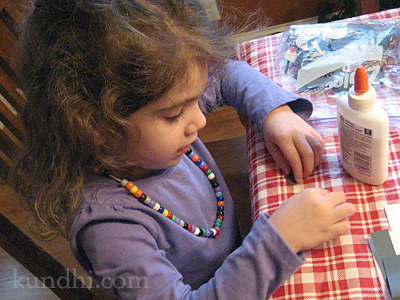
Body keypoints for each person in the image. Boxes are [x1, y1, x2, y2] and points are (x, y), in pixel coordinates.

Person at [10, 0, 356, 299]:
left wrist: (274, 113)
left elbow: (228, 75)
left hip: (239, 260)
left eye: (195, 98)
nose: (199, 120)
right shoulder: (109, 230)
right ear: (98, 128)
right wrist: (279, 240)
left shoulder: (145, 129)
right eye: (176, 113)